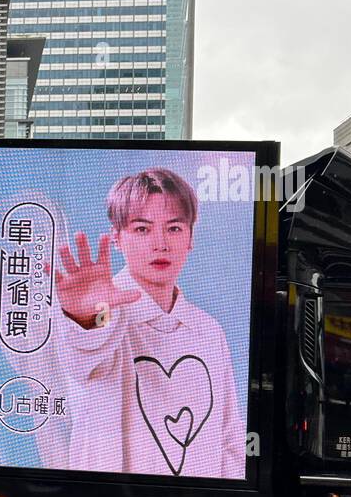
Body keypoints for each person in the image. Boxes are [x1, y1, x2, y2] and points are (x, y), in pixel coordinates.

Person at [54, 167, 246, 479]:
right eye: (142, 229)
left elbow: (228, 438)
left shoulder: (209, 331)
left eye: (174, 228)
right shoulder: (103, 314)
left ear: (190, 237)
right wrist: (85, 318)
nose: (160, 244)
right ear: (117, 238)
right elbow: (82, 358)